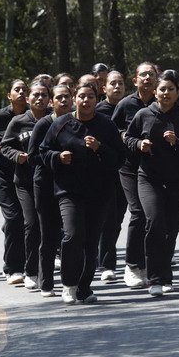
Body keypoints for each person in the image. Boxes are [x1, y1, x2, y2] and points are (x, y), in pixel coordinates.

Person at [40, 82, 125, 304]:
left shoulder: (106, 126)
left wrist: (100, 148)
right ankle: (68, 284)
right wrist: (57, 158)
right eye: (81, 96)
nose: (86, 101)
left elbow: (119, 159)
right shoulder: (61, 124)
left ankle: (84, 287)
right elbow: (43, 151)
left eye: (90, 97)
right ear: (74, 99)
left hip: (99, 192)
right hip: (69, 191)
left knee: (90, 241)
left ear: (97, 100)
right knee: (72, 234)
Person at [125, 69, 179, 296]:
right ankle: (154, 279)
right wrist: (139, 145)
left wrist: (177, 142)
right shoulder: (144, 115)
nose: (166, 93)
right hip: (149, 178)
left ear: (178, 92)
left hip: (177, 179)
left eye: (171, 89)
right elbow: (128, 138)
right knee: (155, 223)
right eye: (162, 89)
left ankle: (165, 274)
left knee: (171, 229)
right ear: (155, 92)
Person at [0, 81, 51, 290]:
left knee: (49, 228)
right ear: (28, 99)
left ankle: (47, 270)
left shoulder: (53, 121)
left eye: (43, 95)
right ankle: (30, 271)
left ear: (49, 99)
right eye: (35, 95)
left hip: (50, 181)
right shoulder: (18, 122)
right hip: (25, 183)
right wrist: (17, 156)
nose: (39, 98)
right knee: (31, 225)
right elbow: (5, 146)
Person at [112, 62, 158, 288]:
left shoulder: (163, 103)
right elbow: (111, 130)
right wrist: (123, 136)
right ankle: (131, 266)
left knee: (156, 216)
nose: (148, 78)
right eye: (143, 75)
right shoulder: (126, 104)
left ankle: (149, 262)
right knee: (138, 213)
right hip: (130, 167)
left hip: (158, 169)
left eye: (152, 74)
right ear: (135, 80)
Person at [0, 79, 29, 284]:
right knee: (14, 218)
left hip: (27, 174)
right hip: (2, 174)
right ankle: (13, 268)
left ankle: (30, 263)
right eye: (16, 90)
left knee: (28, 221)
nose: (21, 92)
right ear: (9, 95)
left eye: (24, 90)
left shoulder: (34, 115)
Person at [28, 84, 73, 297]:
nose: (63, 101)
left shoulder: (76, 123)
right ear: (51, 102)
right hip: (44, 184)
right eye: (59, 98)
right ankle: (46, 282)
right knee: (48, 235)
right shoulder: (43, 124)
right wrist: (56, 157)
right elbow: (33, 157)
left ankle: (69, 281)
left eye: (67, 97)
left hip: (70, 186)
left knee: (69, 234)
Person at [95, 70, 126, 281]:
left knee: (118, 219)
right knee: (107, 219)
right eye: (112, 84)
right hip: (103, 171)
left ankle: (103, 254)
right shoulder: (98, 111)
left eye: (120, 83)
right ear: (103, 88)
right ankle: (107, 264)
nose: (117, 87)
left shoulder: (130, 107)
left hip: (127, 170)